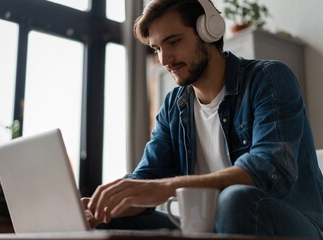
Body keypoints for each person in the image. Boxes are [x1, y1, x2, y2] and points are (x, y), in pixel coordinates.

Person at [81, 0, 323, 239]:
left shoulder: (268, 79)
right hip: (207, 227)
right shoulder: (174, 106)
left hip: (293, 221)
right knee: (110, 218)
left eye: (173, 42)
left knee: (234, 199)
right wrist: (103, 205)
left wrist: (160, 188)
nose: (165, 60)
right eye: (156, 49)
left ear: (208, 30)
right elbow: (147, 178)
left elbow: (267, 168)